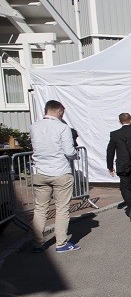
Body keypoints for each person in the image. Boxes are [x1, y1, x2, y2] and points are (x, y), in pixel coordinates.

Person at [29, 100, 79, 253]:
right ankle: (61, 243)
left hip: (40, 171)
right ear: (59, 111)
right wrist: (75, 154)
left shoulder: (34, 126)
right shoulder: (63, 127)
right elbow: (69, 151)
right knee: (62, 209)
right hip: (60, 171)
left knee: (40, 209)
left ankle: (37, 244)